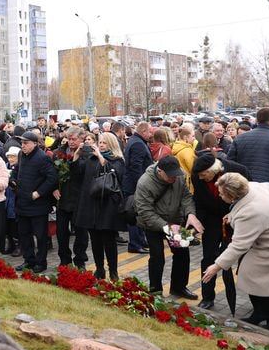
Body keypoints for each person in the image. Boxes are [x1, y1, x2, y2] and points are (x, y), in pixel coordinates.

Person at [203, 173, 269, 332]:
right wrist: (232, 215)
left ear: (232, 196)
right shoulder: (251, 187)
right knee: (249, 274)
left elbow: (238, 246)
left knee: (259, 279)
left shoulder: (250, 212)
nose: (219, 195)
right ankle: (261, 313)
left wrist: (216, 266)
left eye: (222, 193)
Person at [135, 156, 204, 298]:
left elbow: (186, 196)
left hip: (175, 221)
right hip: (152, 224)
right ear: (160, 171)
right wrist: (167, 227)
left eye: (176, 174)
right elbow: (145, 212)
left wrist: (190, 213)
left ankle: (179, 288)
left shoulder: (178, 176)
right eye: (170, 175)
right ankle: (155, 290)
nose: (174, 177)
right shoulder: (145, 183)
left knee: (182, 254)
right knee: (157, 257)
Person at [191, 152, 250, 309]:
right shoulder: (197, 176)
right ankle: (207, 297)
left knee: (234, 260)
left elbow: (248, 196)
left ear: (214, 170)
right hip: (211, 221)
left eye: (204, 175)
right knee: (208, 257)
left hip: (234, 219)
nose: (201, 178)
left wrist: (234, 215)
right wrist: (197, 224)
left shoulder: (238, 171)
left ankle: (253, 300)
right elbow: (199, 201)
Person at [73, 133, 126, 280]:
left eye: (104, 143)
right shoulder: (91, 159)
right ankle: (99, 269)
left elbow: (116, 174)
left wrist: (101, 158)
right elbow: (78, 174)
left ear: (111, 144)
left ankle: (113, 271)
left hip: (108, 205)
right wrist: (76, 156)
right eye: (100, 142)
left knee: (109, 240)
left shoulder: (117, 160)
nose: (101, 145)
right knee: (95, 240)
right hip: (92, 204)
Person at [11, 131, 58, 273]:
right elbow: (17, 170)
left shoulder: (42, 158)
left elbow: (52, 178)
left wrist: (38, 193)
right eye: (22, 143)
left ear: (35, 144)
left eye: (26, 143)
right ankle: (28, 260)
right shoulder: (21, 155)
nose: (23, 146)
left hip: (38, 205)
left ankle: (41, 262)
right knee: (24, 235)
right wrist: (13, 179)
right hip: (22, 202)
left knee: (40, 236)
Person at [53, 129, 89, 268]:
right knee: (61, 233)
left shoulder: (87, 153)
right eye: (69, 139)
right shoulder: (58, 153)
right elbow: (52, 173)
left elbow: (81, 172)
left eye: (74, 139)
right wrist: (54, 188)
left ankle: (80, 260)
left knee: (81, 233)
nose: (71, 141)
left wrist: (77, 156)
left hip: (80, 199)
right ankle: (64, 259)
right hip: (63, 198)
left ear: (82, 139)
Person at [122, 122, 152, 254]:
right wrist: (141, 186)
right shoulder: (138, 144)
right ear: (144, 131)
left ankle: (140, 240)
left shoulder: (135, 141)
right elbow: (136, 168)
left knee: (139, 213)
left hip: (134, 185)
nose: (151, 134)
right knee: (134, 214)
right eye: (150, 132)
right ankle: (134, 244)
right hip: (135, 186)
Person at [4, 147, 22, 257]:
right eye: (9, 156)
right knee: (7, 224)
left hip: (16, 199)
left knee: (17, 225)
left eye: (13, 156)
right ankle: (10, 244)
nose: (10, 159)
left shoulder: (21, 168)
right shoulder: (4, 167)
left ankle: (19, 245)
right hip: (6, 199)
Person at [171, 125, 197, 190]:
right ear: (186, 137)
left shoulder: (177, 146)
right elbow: (193, 169)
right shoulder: (187, 150)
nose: (194, 138)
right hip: (187, 184)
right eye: (193, 136)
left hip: (180, 181)